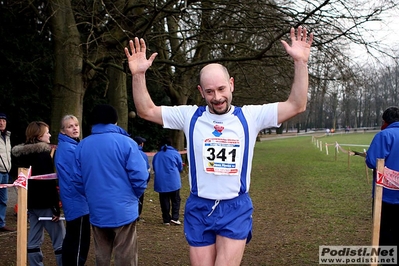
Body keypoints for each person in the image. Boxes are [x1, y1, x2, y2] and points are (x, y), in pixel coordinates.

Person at [125, 26, 313, 265]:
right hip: (199, 205)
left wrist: (300, 62)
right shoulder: (189, 116)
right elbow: (146, 110)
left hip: (234, 206)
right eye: (210, 91)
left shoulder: (250, 116)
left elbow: (296, 105)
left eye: (222, 89)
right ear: (201, 91)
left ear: (232, 84)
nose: (217, 97)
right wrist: (138, 75)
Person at [71, 104, 149, 266]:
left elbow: (77, 180)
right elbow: (140, 176)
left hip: (97, 208)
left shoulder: (82, 146)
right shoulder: (127, 143)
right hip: (124, 208)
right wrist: (134, 195)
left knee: (102, 254)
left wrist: (92, 195)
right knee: (125, 255)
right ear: (115, 121)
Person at [12, 121, 65, 266]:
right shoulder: (43, 154)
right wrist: (55, 206)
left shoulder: (21, 155)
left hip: (30, 203)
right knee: (60, 240)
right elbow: (48, 183)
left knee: (33, 240)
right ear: (39, 135)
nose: (49, 134)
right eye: (46, 132)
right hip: (45, 203)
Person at [54, 115, 90, 266]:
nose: (75, 128)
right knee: (79, 242)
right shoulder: (69, 149)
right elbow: (79, 175)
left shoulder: (72, 146)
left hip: (77, 200)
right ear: (63, 131)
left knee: (74, 239)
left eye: (76, 125)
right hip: (77, 201)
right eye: (70, 126)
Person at [365, 106, 399, 257]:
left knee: (384, 232)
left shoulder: (384, 135)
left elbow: (372, 161)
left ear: (385, 121)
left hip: (385, 195)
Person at [152, 137, 183, 225]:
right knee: (176, 200)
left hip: (161, 181)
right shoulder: (175, 153)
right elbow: (180, 166)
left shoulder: (157, 155)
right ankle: (175, 217)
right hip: (173, 181)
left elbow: (154, 167)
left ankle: (166, 219)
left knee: (164, 200)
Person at [0, 112, 15, 232]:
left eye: (4, 120)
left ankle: (1, 223)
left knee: (4, 200)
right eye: (0, 120)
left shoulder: (7, 136)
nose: (1, 123)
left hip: (5, 171)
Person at [133, 136, 151, 221]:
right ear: (141, 144)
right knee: (139, 198)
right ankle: (137, 215)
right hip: (139, 181)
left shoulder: (128, 151)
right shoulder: (143, 155)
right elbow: (146, 169)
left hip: (128, 181)